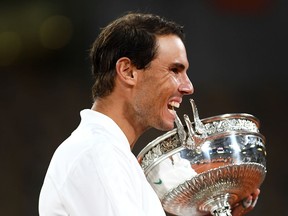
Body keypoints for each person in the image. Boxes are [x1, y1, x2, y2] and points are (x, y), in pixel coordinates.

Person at [38, 12, 260, 216]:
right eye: (174, 70)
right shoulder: (99, 154)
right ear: (128, 71)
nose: (188, 86)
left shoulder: (110, 154)